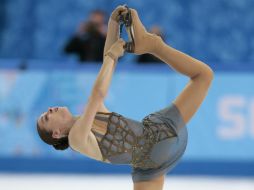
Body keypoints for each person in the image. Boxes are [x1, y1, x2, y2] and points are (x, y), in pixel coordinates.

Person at [37, 6, 213, 190]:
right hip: (155, 143)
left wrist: (113, 24)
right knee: (203, 75)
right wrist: (113, 55)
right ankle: (155, 46)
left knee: (204, 76)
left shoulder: (87, 119)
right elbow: (97, 94)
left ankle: (152, 45)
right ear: (56, 133)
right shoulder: (76, 138)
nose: (49, 110)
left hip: (148, 161)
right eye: (46, 118)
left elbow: (107, 64)